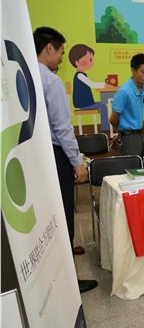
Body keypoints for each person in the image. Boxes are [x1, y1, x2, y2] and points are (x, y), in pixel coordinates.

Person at [33, 26, 98, 293]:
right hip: (56, 155)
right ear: (49, 47)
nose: (61, 58)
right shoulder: (50, 80)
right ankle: (70, 281)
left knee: (46, 215)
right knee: (63, 214)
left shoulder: (23, 75)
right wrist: (77, 162)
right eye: (60, 52)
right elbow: (62, 127)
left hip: (35, 155)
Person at [110, 53, 144, 156]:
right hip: (129, 136)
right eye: (143, 71)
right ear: (133, 70)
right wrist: (122, 133)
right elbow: (113, 119)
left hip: (142, 133)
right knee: (133, 163)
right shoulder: (124, 92)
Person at [69, 43, 113, 132]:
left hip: (85, 103)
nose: (91, 62)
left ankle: (107, 128)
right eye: (89, 59)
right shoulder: (80, 75)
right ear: (77, 62)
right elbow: (92, 85)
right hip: (83, 104)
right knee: (103, 107)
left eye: (91, 59)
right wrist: (104, 85)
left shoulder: (81, 75)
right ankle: (105, 130)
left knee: (103, 104)